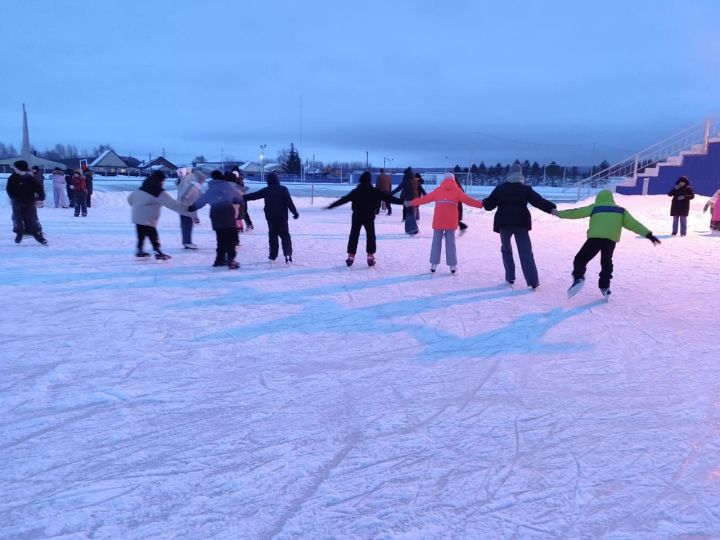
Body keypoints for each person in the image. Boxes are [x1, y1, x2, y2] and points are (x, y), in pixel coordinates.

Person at [555, 189, 661, 298]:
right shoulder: (620, 210)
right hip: (610, 240)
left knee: (581, 259)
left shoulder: (595, 207)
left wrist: (559, 213)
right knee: (606, 262)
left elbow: (576, 212)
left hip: (594, 239)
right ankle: (605, 286)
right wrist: (648, 235)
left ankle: (579, 277)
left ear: (598, 198)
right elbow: (634, 224)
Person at [482, 163, 556, 289]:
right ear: (521, 175)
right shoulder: (525, 189)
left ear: (509, 174)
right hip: (521, 223)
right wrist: (552, 208)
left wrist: (482, 202)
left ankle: (510, 278)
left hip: (504, 224)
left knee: (506, 249)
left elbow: (489, 206)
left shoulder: (500, 188)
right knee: (526, 252)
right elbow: (539, 201)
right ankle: (533, 283)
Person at [408, 172, 483, 274]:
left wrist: (412, 202)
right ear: (453, 180)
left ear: (444, 180)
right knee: (450, 243)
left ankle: (433, 265)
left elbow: (425, 199)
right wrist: (480, 204)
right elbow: (468, 200)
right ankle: (452, 266)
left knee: (436, 243)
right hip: (451, 221)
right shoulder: (458, 191)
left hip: (438, 220)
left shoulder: (438, 190)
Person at [326, 171, 403, 267]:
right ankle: (370, 256)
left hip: (357, 216)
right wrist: (403, 202)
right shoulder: (374, 191)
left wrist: (331, 205)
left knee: (354, 235)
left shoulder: (356, 191)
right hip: (369, 217)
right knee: (370, 236)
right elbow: (389, 198)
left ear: (361, 180)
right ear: (370, 180)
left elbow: (344, 199)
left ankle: (351, 256)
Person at [188, 170, 245, 269]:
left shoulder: (211, 189)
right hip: (227, 212)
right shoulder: (228, 186)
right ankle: (231, 260)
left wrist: (192, 207)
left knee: (221, 238)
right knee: (231, 238)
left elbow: (202, 200)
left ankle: (219, 260)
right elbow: (239, 198)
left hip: (216, 214)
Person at [127, 171, 189, 260]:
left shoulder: (141, 188)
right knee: (152, 234)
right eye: (164, 180)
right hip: (148, 218)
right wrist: (187, 209)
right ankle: (157, 252)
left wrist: (138, 205)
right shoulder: (157, 191)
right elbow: (172, 204)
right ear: (160, 180)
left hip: (137, 216)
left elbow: (130, 199)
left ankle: (139, 250)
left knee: (141, 234)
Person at [244, 172, 299, 263]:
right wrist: (295, 212)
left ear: (268, 181)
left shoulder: (266, 190)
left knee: (273, 235)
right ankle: (288, 254)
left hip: (270, 217)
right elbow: (289, 202)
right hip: (282, 217)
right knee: (285, 235)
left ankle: (272, 256)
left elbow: (253, 196)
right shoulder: (283, 189)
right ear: (277, 179)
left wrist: (240, 197)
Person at [6, 160, 47, 244]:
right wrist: (12, 197)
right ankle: (19, 233)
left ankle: (39, 237)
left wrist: (41, 197)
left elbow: (39, 188)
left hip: (29, 202)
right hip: (17, 201)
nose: (14, 168)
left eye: (15, 167)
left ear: (19, 168)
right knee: (18, 219)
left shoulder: (30, 178)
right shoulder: (12, 177)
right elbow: (8, 188)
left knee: (31, 220)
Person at [177, 167, 206, 249]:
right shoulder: (193, 182)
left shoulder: (187, 180)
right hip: (186, 207)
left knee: (187, 224)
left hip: (186, 207)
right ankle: (187, 242)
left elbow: (200, 194)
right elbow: (186, 194)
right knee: (187, 224)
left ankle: (186, 242)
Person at [392, 167, 419, 235]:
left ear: (406, 174)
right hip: (415, 198)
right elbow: (420, 188)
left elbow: (398, 189)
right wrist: (425, 194)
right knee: (409, 213)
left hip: (408, 199)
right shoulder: (415, 180)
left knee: (410, 214)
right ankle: (408, 229)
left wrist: (390, 194)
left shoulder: (405, 181)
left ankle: (414, 229)